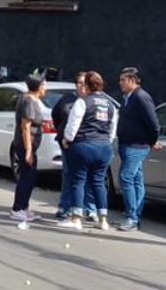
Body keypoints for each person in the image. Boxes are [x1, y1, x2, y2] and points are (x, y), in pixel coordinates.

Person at [56, 71, 117, 232]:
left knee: (78, 181)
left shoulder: (83, 102)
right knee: (98, 182)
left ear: (88, 85)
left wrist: (67, 139)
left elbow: (73, 124)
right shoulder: (110, 105)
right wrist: (105, 142)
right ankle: (103, 219)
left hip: (83, 145)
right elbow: (112, 130)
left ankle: (76, 218)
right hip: (104, 147)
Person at [115, 67, 161, 231]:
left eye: (123, 80)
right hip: (127, 144)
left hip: (137, 145)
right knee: (135, 179)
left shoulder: (141, 97)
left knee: (126, 178)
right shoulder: (127, 98)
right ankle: (135, 214)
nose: (120, 83)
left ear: (132, 80)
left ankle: (132, 217)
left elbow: (153, 123)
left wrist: (152, 140)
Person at [52, 73, 88, 221]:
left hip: (86, 144)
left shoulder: (91, 101)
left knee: (86, 177)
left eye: (84, 83)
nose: (82, 86)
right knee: (68, 174)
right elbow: (56, 117)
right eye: (79, 83)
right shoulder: (66, 100)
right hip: (67, 144)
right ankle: (64, 207)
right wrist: (64, 135)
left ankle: (85, 208)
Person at [10, 76, 46, 226]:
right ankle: (17, 208)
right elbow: (25, 127)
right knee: (26, 177)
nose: (45, 88)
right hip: (25, 145)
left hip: (29, 146)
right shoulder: (29, 101)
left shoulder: (32, 100)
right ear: (38, 86)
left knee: (29, 177)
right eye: (44, 85)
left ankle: (24, 207)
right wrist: (29, 151)